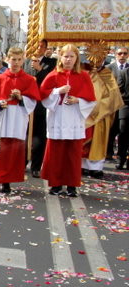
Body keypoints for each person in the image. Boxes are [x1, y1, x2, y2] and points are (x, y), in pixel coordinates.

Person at [0, 47, 41, 194]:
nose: (15, 63)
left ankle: (7, 182)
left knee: (13, 152)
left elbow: (32, 101)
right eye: (13, 59)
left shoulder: (28, 80)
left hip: (18, 119)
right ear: (7, 60)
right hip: (2, 118)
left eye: (19, 59)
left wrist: (22, 98)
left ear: (23, 60)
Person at [40, 44, 96, 196]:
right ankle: (56, 184)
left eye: (72, 56)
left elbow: (91, 100)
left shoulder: (84, 76)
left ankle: (72, 185)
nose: (68, 59)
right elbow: (43, 96)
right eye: (66, 56)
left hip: (74, 119)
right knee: (56, 153)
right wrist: (58, 91)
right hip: (58, 118)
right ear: (60, 57)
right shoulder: (53, 75)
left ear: (77, 58)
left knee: (73, 154)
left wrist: (78, 100)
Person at [82, 55, 122, 178]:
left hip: (101, 113)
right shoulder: (83, 71)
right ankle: (82, 165)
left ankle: (96, 168)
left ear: (103, 57)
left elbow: (114, 94)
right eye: (93, 57)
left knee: (98, 140)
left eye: (99, 57)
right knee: (83, 140)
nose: (96, 60)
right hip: (85, 112)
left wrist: (99, 107)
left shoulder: (107, 74)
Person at [28, 53, 55, 178]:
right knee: (23, 137)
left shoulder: (51, 63)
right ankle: (22, 162)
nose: (38, 49)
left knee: (39, 138)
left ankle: (36, 166)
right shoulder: (23, 61)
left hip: (40, 106)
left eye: (41, 47)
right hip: (24, 105)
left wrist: (40, 70)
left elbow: (51, 82)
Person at [113, 47, 129, 169]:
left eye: (125, 53)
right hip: (125, 107)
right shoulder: (124, 73)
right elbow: (119, 91)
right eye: (120, 53)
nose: (123, 55)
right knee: (123, 133)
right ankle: (121, 158)